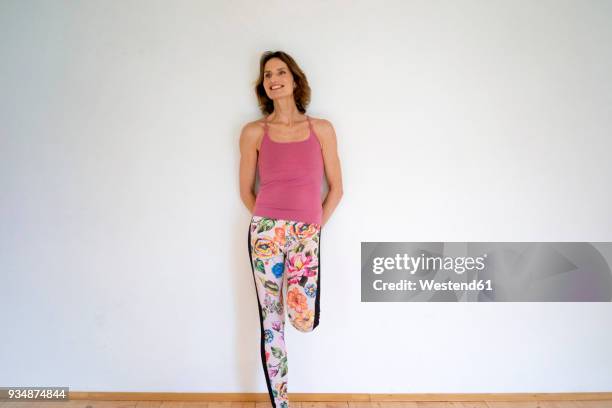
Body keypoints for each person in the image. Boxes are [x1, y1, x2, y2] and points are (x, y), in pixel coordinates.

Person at [239, 50, 344, 408]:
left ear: (295, 79)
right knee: (272, 320)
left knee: (301, 318)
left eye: (280, 72)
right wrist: (270, 224)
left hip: (305, 232)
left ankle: (303, 314)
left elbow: (337, 189)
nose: (273, 79)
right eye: (267, 75)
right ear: (263, 85)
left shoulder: (322, 129)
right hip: (266, 232)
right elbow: (245, 191)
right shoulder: (254, 132)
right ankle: (280, 403)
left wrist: (310, 228)